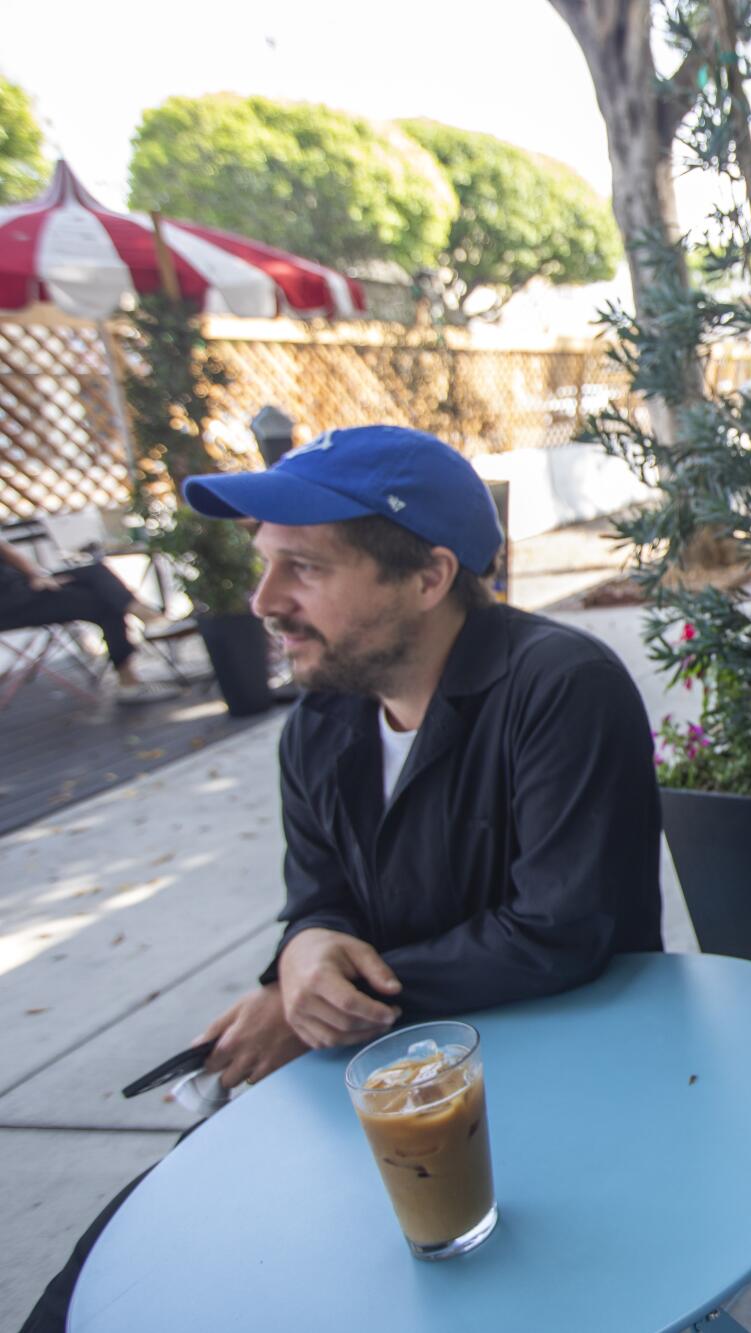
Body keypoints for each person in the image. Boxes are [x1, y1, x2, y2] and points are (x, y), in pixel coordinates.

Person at [20, 425, 664, 1331]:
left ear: (430, 577)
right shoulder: (321, 719)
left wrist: (311, 1002)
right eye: (265, 564)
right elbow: (319, 894)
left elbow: (560, 930)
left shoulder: (558, 685)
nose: (263, 600)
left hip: (560, 1086)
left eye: (304, 568)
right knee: (101, 1287)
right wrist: (307, 948)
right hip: (381, 1083)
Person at [0, 538, 182, 704]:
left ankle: (146, 616)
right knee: (105, 604)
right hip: (11, 607)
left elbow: (8, 551)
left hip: (27, 588)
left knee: (95, 572)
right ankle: (130, 679)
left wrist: (37, 576)